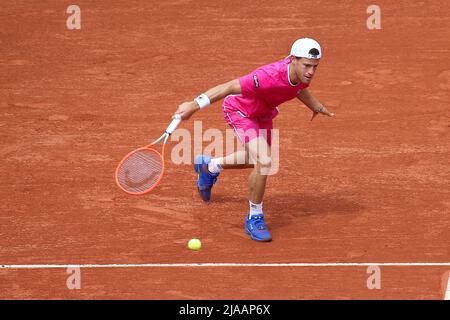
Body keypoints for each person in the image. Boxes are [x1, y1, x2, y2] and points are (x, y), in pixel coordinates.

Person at [173, 38, 335, 242]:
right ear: (293, 60)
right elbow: (229, 87)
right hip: (241, 111)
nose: (311, 71)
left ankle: (210, 166)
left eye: (315, 66)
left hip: (263, 113)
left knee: (254, 159)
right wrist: (194, 105)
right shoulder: (267, 76)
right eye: (307, 65)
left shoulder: (302, 73)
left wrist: (315, 105)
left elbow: (298, 88)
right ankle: (254, 217)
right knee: (265, 161)